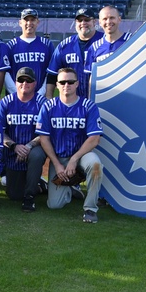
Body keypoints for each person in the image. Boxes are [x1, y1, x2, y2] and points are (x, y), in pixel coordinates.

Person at [37, 67, 104, 223]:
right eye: (62, 82)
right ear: (58, 85)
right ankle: (71, 187)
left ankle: (90, 209)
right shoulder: (48, 107)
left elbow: (94, 138)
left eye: (70, 82)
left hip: (82, 156)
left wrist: (75, 159)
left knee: (95, 165)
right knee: (54, 205)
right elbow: (44, 138)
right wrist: (57, 164)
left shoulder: (88, 106)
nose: (66, 85)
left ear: (77, 84)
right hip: (59, 159)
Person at [0, 67, 48, 212]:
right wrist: (14, 146)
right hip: (13, 152)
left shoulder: (42, 103)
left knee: (36, 156)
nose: (25, 83)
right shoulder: (6, 103)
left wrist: (28, 147)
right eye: (21, 80)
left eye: (29, 80)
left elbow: (46, 133)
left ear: (35, 83)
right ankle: (39, 184)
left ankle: (30, 197)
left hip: (34, 148)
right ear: (16, 82)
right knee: (14, 195)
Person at [46, 7, 103, 99]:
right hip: (72, 102)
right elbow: (52, 75)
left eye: (87, 20)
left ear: (94, 22)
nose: (83, 23)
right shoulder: (64, 46)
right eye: (79, 20)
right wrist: (49, 98)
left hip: (100, 99)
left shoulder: (104, 42)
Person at [5, 8, 52, 97]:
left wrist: (40, 94)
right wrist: (17, 94)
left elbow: (50, 73)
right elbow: (6, 73)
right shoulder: (10, 46)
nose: (29, 23)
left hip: (40, 98)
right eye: (26, 20)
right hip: (15, 98)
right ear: (20, 23)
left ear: (38, 22)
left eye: (32, 20)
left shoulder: (47, 45)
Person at [84, 5, 130, 87]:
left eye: (112, 18)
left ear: (119, 19)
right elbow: (91, 79)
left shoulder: (131, 40)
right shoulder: (94, 47)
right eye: (105, 19)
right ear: (100, 22)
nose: (108, 22)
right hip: (103, 95)